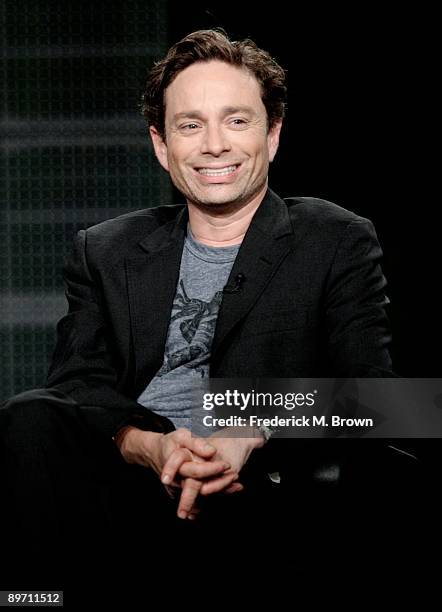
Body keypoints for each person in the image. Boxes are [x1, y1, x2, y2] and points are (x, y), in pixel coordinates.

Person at [0, 29, 395, 589]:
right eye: (191, 125)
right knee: (29, 415)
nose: (214, 145)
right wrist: (149, 446)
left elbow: (383, 401)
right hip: (124, 488)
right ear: (162, 145)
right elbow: (77, 386)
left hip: (262, 492)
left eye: (237, 120)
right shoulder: (106, 248)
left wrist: (248, 426)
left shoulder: (334, 238)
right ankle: (31, 601)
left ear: (273, 134)